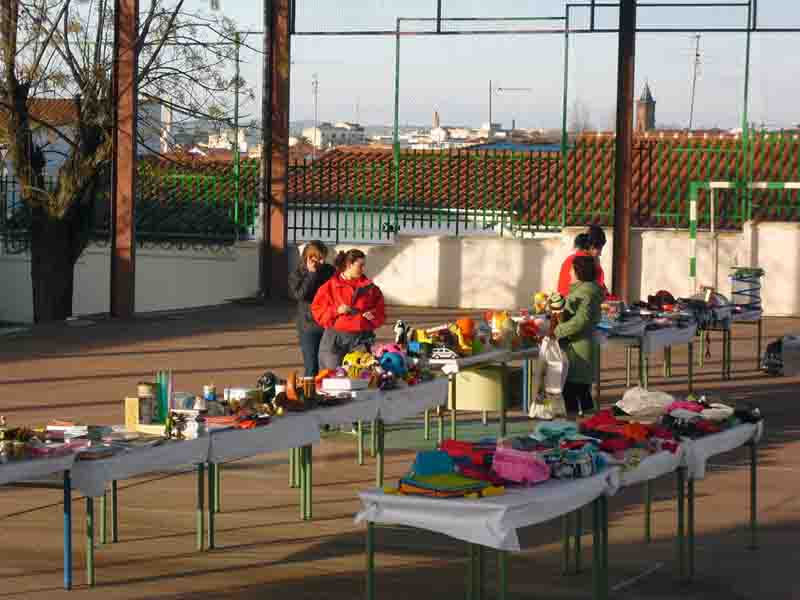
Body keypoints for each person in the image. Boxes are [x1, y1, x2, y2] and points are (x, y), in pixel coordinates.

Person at [312, 249, 386, 371]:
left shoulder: (371, 289)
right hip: (334, 340)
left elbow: (381, 312)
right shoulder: (329, 287)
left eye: (364, 265)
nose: (363, 269)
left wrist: (373, 315)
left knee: (362, 376)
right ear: (349, 265)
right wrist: (336, 310)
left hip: (361, 340)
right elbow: (317, 311)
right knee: (332, 376)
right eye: (360, 265)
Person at [553, 255, 603, 414]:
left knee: (572, 392)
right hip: (580, 346)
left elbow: (581, 320)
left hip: (577, 349)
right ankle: (589, 424)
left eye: (572, 270)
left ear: (579, 272)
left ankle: (574, 425)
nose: (569, 273)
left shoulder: (584, 293)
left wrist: (557, 331)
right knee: (582, 392)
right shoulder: (587, 290)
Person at [289, 241, 337, 376]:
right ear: (310, 257)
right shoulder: (298, 274)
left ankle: (325, 389)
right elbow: (301, 295)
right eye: (319, 258)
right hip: (309, 325)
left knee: (329, 366)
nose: (322, 261)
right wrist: (311, 274)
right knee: (311, 366)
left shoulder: (329, 271)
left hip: (328, 324)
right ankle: (309, 389)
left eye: (324, 258)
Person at [557, 226, 607, 297]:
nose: (600, 254)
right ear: (592, 247)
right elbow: (595, 289)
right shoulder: (585, 261)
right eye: (600, 249)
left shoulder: (574, 258)